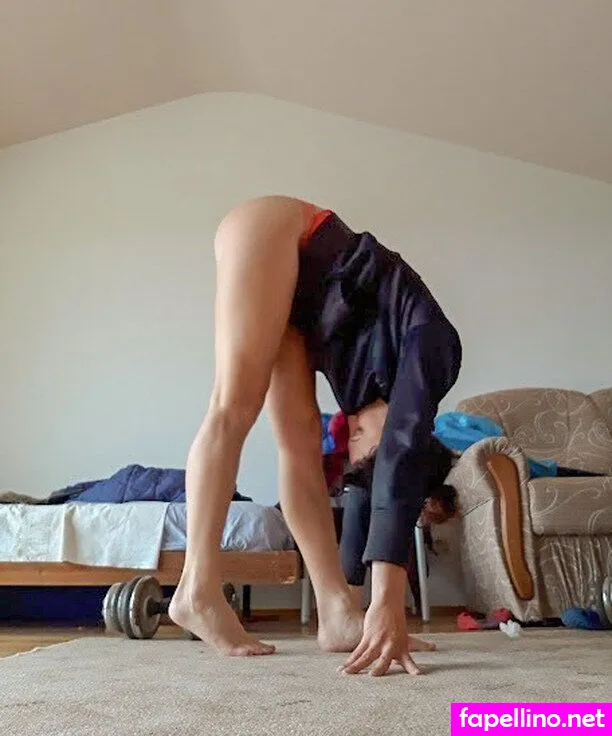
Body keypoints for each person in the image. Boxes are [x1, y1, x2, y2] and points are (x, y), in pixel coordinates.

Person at [169, 195, 462, 677]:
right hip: (286, 232)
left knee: (300, 442)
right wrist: (387, 599)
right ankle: (196, 587)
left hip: (300, 305)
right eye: (367, 456)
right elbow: (400, 455)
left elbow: (385, 474)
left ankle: (336, 609)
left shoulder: (365, 398)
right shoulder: (434, 349)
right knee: (233, 404)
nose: (354, 451)